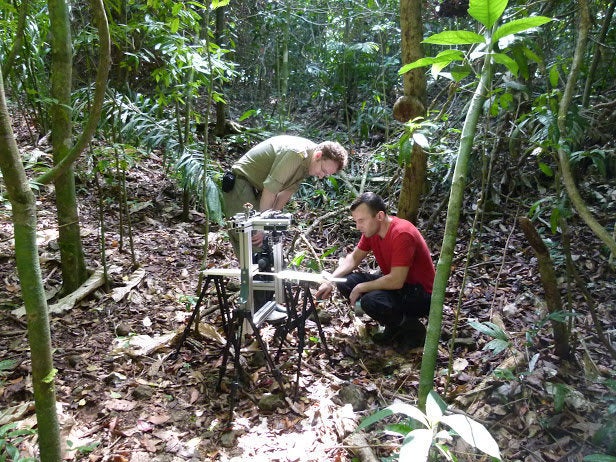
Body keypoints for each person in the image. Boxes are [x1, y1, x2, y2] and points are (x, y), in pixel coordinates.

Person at [315, 192, 435, 349]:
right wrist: (330, 280)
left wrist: (361, 287)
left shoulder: (401, 233)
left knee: (370, 300)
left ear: (379, 216)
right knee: (346, 282)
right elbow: (353, 259)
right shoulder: (372, 231)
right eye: (356, 221)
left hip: (420, 295)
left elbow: (396, 280)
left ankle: (413, 330)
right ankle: (393, 325)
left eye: (361, 221)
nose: (358, 227)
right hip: (400, 287)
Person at [222, 134, 349, 252]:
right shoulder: (296, 153)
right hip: (242, 182)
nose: (321, 176)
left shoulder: (308, 163)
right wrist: (263, 226)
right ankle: (257, 275)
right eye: (323, 170)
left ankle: (262, 274)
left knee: (268, 241)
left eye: (326, 175)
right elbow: (270, 190)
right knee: (252, 237)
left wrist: (270, 225)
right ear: (318, 156)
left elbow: (285, 193)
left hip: (260, 188)